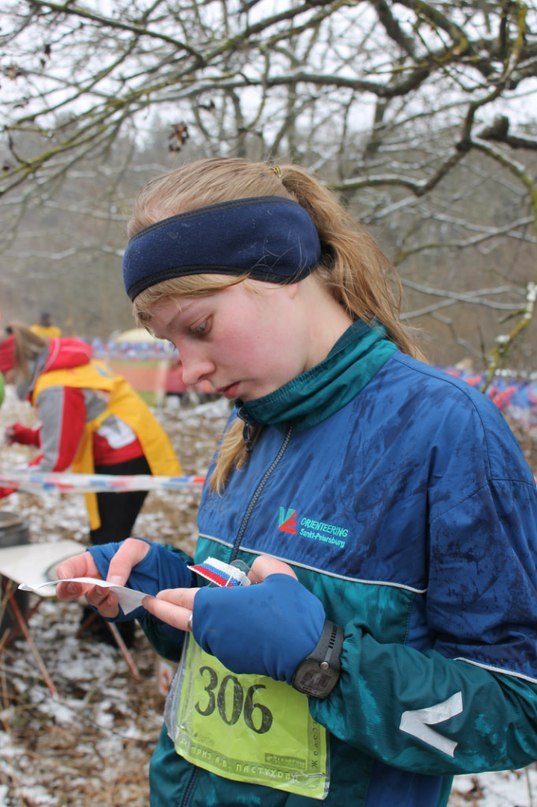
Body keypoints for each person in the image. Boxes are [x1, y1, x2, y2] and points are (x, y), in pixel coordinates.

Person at [55, 157, 537, 806]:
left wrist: (325, 662)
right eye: (169, 342)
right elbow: (247, 635)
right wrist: (166, 592)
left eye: (198, 327)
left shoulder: (447, 432)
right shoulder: (246, 430)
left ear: (283, 268)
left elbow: (516, 708)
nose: (189, 370)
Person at [0, 323, 182, 645]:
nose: (9, 384)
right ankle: (101, 621)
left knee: (111, 542)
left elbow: (56, 459)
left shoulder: (56, 385)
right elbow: (69, 425)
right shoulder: (61, 372)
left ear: (17, 367)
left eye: (7, 376)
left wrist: (6, 485)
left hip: (124, 460)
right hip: (119, 454)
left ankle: (118, 627)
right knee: (106, 539)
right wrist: (27, 436)